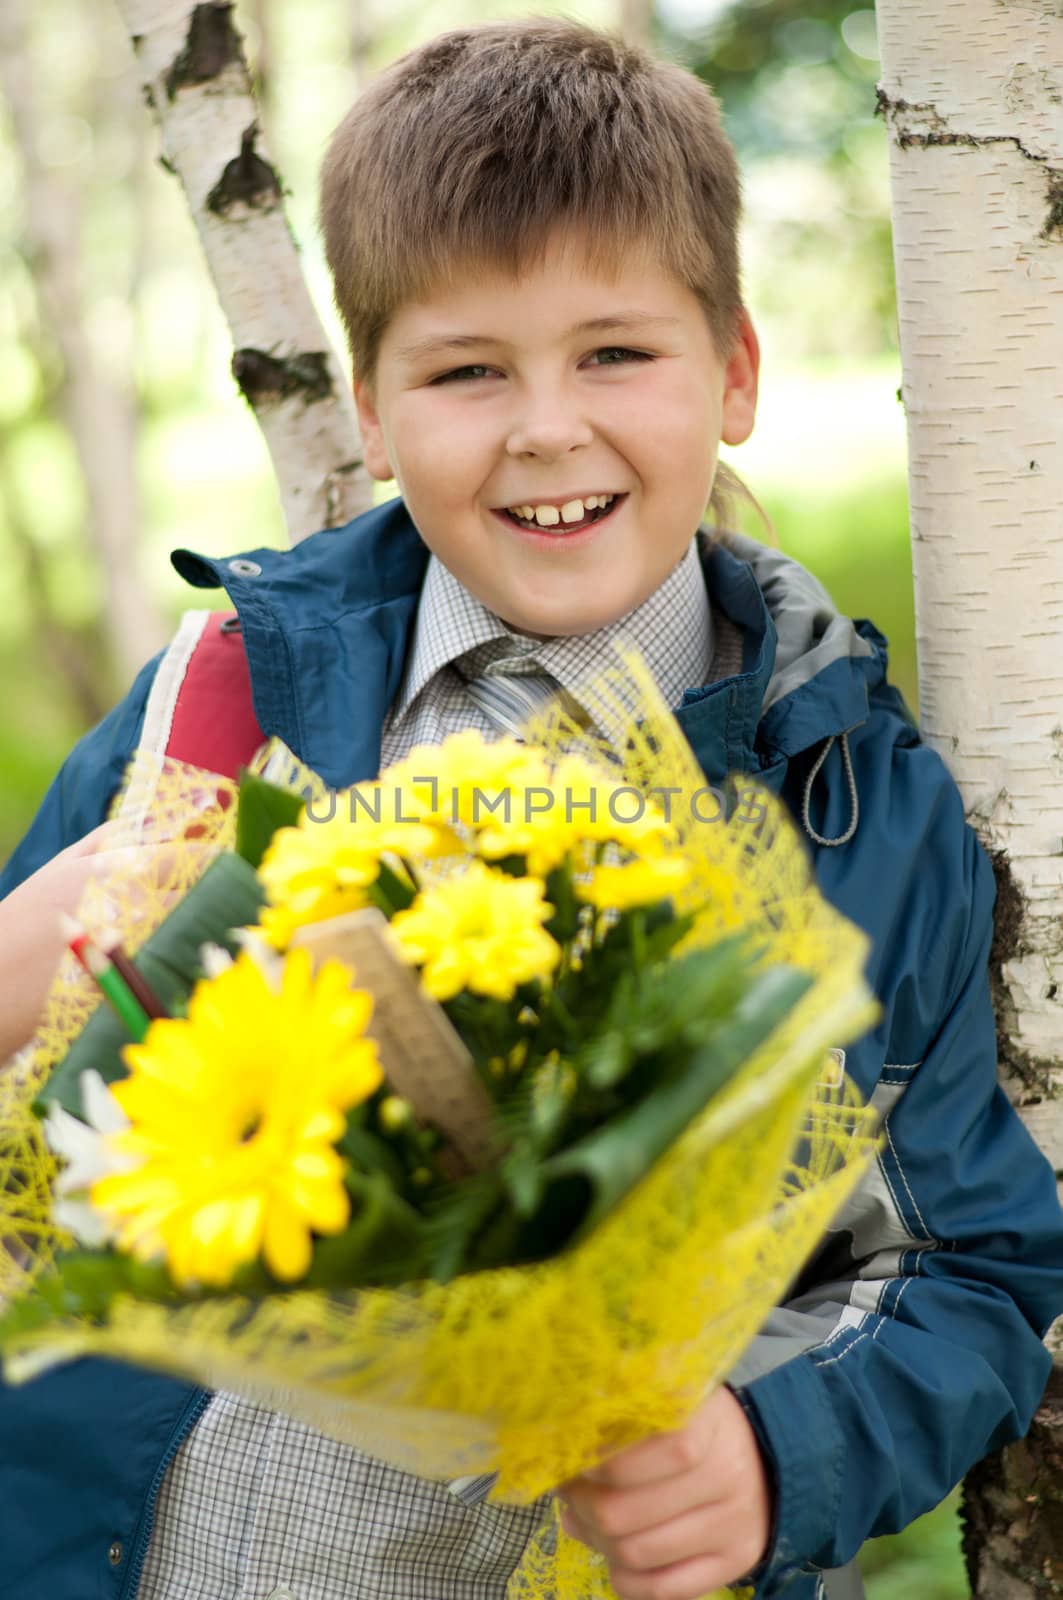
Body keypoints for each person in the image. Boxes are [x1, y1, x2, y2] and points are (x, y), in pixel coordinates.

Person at [0, 18, 1060, 1600]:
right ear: (371, 409)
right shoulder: (221, 708)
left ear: (738, 372)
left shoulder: (849, 811)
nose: (546, 425)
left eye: (614, 353)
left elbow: (963, 1265)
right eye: (467, 370)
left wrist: (774, 1458)